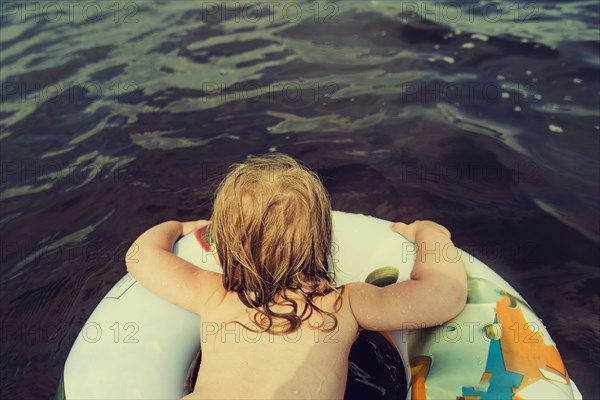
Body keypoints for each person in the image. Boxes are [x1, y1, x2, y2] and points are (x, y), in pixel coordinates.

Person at [125, 153, 467, 399]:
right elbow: (443, 294)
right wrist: (431, 236)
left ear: (222, 246)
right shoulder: (343, 304)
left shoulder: (213, 295)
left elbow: (141, 257)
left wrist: (177, 226)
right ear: (323, 241)